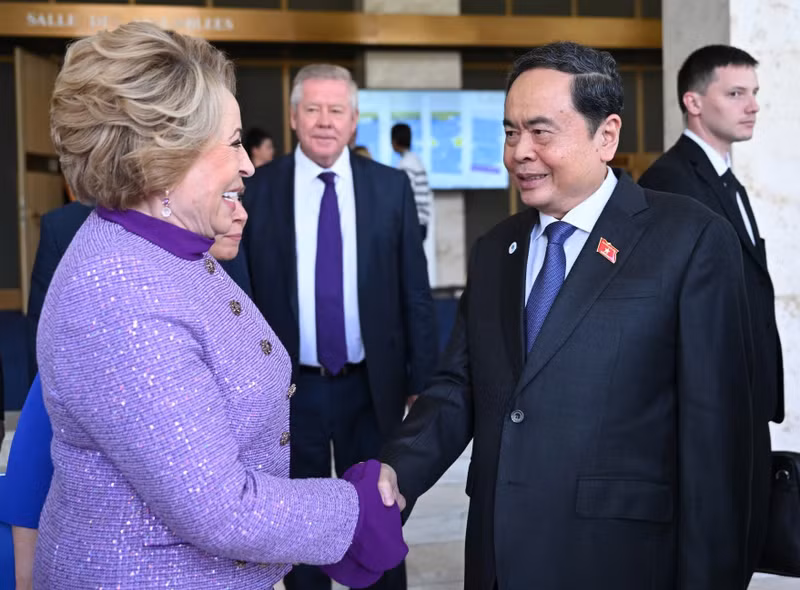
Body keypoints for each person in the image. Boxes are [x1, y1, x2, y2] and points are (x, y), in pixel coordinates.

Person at [34, 22, 406, 589]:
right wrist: (351, 509)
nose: (248, 164)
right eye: (232, 143)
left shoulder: (165, 251)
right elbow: (217, 507)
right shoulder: (123, 295)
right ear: (164, 156)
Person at [377, 41, 754, 590]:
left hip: (618, 560)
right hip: (499, 557)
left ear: (607, 135)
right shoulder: (495, 249)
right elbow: (459, 385)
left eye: (540, 132)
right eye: (510, 132)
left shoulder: (688, 240)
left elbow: (716, 443)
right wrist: (397, 470)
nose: (519, 152)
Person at [242, 64, 437, 590]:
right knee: (299, 522)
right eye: (313, 109)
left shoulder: (389, 189)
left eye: (336, 110)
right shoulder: (259, 191)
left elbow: (414, 293)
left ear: (353, 121)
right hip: (288, 389)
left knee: (377, 514)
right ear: (292, 117)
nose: (324, 121)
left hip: (369, 385)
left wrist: (424, 381)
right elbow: (241, 292)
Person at [3, 194, 253, 590]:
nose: (239, 211)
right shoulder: (103, 273)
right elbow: (40, 431)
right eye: (226, 196)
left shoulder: (222, 265)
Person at [637, 44, 783, 581]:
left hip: (742, 397)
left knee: (741, 546)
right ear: (693, 102)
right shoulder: (670, 181)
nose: (751, 106)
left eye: (755, 94)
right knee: (712, 554)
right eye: (736, 93)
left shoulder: (724, 176)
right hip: (707, 406)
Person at [391, 123, 433, 241]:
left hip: (412, 223)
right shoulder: (415, 160)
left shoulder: (406, 164)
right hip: (420, 222)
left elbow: (403, 196)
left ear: (394, 141)